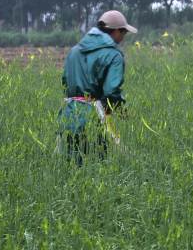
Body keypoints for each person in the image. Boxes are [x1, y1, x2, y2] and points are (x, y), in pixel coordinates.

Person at [56, 10, 137, 165]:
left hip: (68, 114)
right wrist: (121, 111)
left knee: (70, 164)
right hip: (94, 116)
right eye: (123, 32)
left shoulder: (74, 52)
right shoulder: (114, 55)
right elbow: (111, 92)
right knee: (96, 165)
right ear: (114, 31)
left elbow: (65, 82)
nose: (123, 37)